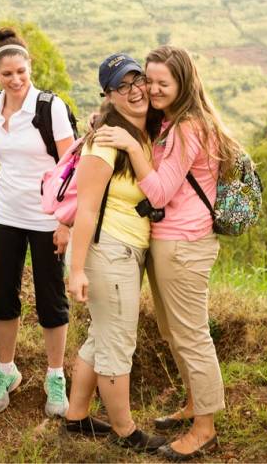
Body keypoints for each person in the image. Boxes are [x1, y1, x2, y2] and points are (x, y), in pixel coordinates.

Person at [92, 45, 239, 461]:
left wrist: (133, 148)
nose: (152, 89)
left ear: (183, 83)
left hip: (184, 243)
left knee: (191, 334)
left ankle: (205, 426)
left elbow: (157, 190)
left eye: (162, 82)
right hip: (170, 241)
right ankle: (195, 402)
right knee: (174, 332)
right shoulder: (172, 121)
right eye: (148, 80)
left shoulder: (188, 128)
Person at [64, 53, 166, 454]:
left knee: (100, 335)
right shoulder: (104, 141)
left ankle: (76, 417)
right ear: (108, 95)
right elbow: (86, 210)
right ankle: (126, 432)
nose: (134, 90)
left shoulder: (142, 133)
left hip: (127, 250)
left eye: (137, 79)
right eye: (122, 86)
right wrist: (76, 270)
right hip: (108, 251)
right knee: (117, 341)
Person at [0, 27, 76, 417]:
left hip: (45, 217)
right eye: (8, 74)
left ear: (30, 66)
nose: (16, 80)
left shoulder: (49, 107)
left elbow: (72, 166)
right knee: (4, 296)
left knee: (51, 299)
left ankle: (55, 376)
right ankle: (6, 370)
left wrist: (66, 222)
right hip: (5, 213)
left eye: (21, 71)